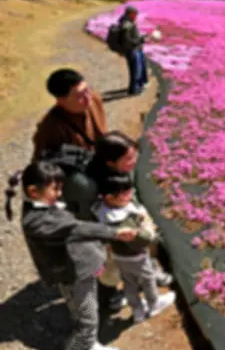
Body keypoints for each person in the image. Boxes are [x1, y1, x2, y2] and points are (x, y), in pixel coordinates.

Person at [17, 161, 138, 350]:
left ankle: (90, 347)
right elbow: (76, 229)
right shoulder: (37, 221)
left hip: (83, 270)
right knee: (86, 323)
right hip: (73, 274)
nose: (60, 194)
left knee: (85, 310)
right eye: (55, 189)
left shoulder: (43, 207)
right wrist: (113, 233)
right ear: (34, 191)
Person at [30, 69, 126, 312]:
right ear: (60, 100)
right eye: (79, 96)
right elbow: (41, 168)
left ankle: (129, 271)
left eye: (87, 90)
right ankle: (107, 292)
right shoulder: (49, 128)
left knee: (122, 226)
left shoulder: (94, 100)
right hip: (81, 192)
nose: (87, 98)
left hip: (104, 177)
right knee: (96, 241)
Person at [85, 131, 173, 287]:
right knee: (122, 260)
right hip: (117, 230)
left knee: (144, 249)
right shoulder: (102, 185)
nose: (134, 161)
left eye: (134, 155)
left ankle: (150, 273)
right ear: (111, 163)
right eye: (128, 159)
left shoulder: (119, 171)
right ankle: (113, 292)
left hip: (131, 220)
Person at [94, 175, 176, 323]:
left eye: (130, 191)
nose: (130, 196)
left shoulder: (101, 210)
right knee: (148, 280)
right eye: (125, 194)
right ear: (110, 197)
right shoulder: (125, 217)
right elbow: (145, 238)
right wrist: (145, 225)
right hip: (136, 256)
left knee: (129, 283)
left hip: (118, 256)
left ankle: (137, 310)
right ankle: (154, 304)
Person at [118, 5, 149, 96]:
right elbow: (127, 39)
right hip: (132, 50)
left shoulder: (129, 22)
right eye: (135, 14)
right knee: (135, 70)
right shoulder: (126, 24)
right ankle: (134, 90)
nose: (136, 16)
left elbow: (132, 36)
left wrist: (140, 38)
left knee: (138, 69)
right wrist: (140, 40)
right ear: (130, 14)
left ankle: (138, 87)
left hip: (135, 49)